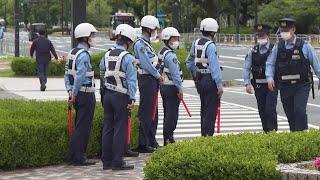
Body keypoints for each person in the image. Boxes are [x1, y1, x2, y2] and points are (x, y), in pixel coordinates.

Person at [266, 18, 320, 131]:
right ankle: (295, 136)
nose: (283, 33)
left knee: (299, 111)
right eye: (282, 30)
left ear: (293, 29)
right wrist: (270, 78)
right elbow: (270, 64)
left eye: (286, 30)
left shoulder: (305, 46)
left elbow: (316, 64)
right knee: (290, 115)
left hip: (302, 85)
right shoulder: (278, 47)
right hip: (285, 86)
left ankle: (302, 136)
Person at [99, 24, 137, 170]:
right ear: (128, 42)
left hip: (107, 95)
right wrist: (132, 98)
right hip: (121, 96)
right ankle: (117, 161)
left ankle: (106, 161)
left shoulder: (107, 54)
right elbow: (132, 80)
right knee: (120, 127)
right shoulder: (128, 58)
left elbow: (102, 70)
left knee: (108, 127)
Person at [64, 23, 97, 166]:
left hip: (77, 94)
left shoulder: (73, 52)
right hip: (85, 94)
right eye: (92, 36)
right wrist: (75, 93)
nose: (93, 39)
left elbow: (67, 75)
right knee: (83, 127)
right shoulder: (84, 55)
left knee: (79, 125)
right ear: (85, 37)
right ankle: (79, 157)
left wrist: (70, 91)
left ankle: (73, 155)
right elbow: (80, 76)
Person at [186, 18, 223, 136]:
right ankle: (208, 137)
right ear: (213, 32)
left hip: (200, 79)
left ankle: (203, 136)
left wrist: (196, 73)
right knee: (211, 111)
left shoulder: (196, 43)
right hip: (210, 80)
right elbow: (214, 67)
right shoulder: (211, 46)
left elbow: (189, 62)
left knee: (204, 109)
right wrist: (219, 85)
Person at [134, 15, 164, 153]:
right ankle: (143, 142)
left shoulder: (147, 44)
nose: (155, 32)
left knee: (153, 111)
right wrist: (158, 75)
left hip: (151, 80)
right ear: (149, 29)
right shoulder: (140, 44)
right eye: (154, 29)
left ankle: (151, 139)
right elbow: (146, 63)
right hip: (147, 79)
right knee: (146, 111)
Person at [242, 24, 278, 133]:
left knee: (270, 110)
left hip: (271, 85)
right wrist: (247, 83)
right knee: (262, 110)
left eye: (262, 35)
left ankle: (272, 133)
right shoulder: (252, 51)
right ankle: (266, 132)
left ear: (268, 35)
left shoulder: (274, 49)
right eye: (258, 36)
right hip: (258, 85)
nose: (260, 38)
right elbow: (246, 67)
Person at [158, 27, 183, 145]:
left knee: (167, 113)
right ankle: (168, 138)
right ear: (168, 39)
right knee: (172, 115)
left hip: (164, 87)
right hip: (172, 87)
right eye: (174, 38)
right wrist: (180, 89)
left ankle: (168, 137)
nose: (177, 40)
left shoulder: (162, 51)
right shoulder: (171, 56)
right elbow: (176, 75)